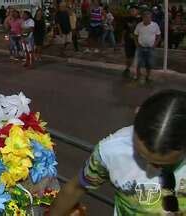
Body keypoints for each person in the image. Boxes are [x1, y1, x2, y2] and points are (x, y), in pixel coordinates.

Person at [50, 89, 186, 215]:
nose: (150, 169)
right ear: (137, 112)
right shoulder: (110, 150)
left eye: (161, 165)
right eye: (141, 156)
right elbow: (76, 188)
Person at [134, 10, 161, 84]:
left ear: (151, 18)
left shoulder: (155, 25)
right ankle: (137, 75)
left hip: (150, 48)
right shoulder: (139, 25)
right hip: (140, 47)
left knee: (149, 63)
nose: (147, 19)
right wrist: (136, 44)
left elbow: (158, 36)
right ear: (142, 18)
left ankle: (148, 77)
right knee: (138, 63)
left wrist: (155, 44)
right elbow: (135, 35)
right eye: (145, 17)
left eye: (148, 17)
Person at [121, 5, 141, 78]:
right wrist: (122, 39)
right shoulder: (126, 19)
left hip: (138, 41)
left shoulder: (140, 19)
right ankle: (127, 68)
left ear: (137, 11)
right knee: (129, 56)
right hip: (128, 40)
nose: (132, 12)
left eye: (133, 10)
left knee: (138, 56)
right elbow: (124, 30)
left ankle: (137, 71)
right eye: (131, 10)